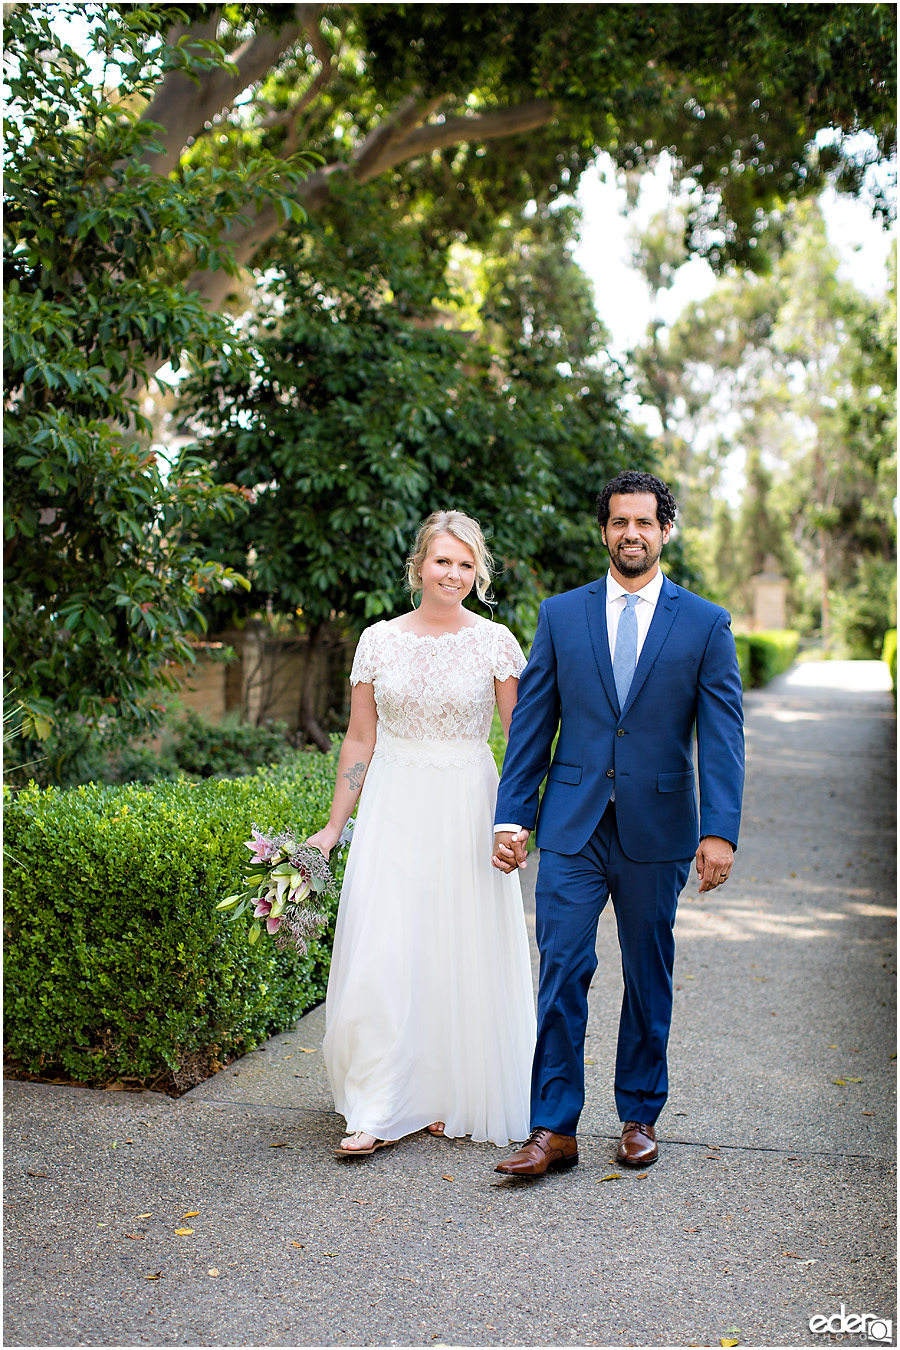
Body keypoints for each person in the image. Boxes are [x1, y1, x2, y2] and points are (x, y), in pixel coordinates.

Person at [490, 470, 744, 1175]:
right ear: (603, 531)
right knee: (563, 969)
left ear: (666, 530)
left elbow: (723, 737)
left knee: (647, 973)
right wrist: (511, 819)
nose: (631, 533)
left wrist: (718, 830)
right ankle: (553, 1129)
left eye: (645, 522)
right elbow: (532, 727)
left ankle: (639, 1114)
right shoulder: (560, 616)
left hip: (658, 830)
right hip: (572, 824)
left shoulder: (704, 623)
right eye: (619, 522)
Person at [308, 510, 536, 1157]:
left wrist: (515, 822)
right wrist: (333, 826)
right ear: (418, 565)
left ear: (477, 572)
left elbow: (519, 742)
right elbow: (359, 737)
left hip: (468, 801)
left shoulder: (495, 642)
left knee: (455, 948)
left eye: (466, 564)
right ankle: (378, 1104)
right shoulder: (378, 641)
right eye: (443, 561)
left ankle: (444, 1095)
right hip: (395, 804)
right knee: (386, 949)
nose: (454, 574)